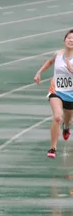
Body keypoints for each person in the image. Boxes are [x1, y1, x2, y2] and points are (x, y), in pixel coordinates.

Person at [34, 29, 73, 158]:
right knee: (57, 117)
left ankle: (66, 127)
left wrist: (70, 69)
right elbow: (50, 62)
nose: (71, 40)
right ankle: (53, 148)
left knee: (68, 118)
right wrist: (39, 72)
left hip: (71, 94)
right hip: (56, 91)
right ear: (64, 40)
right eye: (69, 38)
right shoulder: (58, 54)